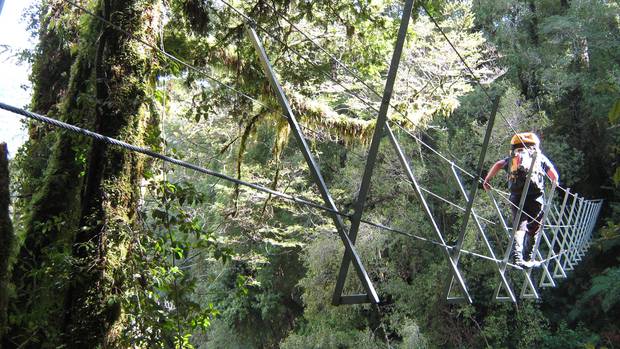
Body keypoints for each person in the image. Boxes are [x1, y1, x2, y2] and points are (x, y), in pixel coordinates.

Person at [483, 132, 559, 268]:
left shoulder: (513, 158)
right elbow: (553, 174)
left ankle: (517, 257)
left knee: (520, 226)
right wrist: (555, 182)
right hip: (536, 197)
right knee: (534, 226)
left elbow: (499, 164)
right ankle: (528, 258)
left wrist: (487, 180)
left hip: (516, 196)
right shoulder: (538, 156)